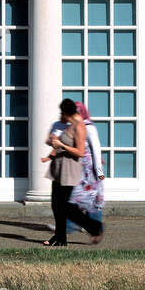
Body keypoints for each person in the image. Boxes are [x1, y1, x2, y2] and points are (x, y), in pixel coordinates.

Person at [41, 97, 104, 247]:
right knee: (56, 205)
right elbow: (55, 143)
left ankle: (94, 227)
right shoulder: (67, 124)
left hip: (70, 170)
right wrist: (53, 142)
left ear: (66, 113)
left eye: (61, 113)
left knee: (67, 208)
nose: (60, 116)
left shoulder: (81, 127)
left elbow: (80, 152)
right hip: (59, 167)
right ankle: (60, 238)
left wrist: (61, 144)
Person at [66, 100, 105, 236]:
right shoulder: (74, 128)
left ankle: (75, 226)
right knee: (74, 197)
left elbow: (96, 150)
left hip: (90, 170)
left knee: (91, 199)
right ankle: (71, 225)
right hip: (78, 169)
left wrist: (99, 172)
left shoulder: (89, 128)